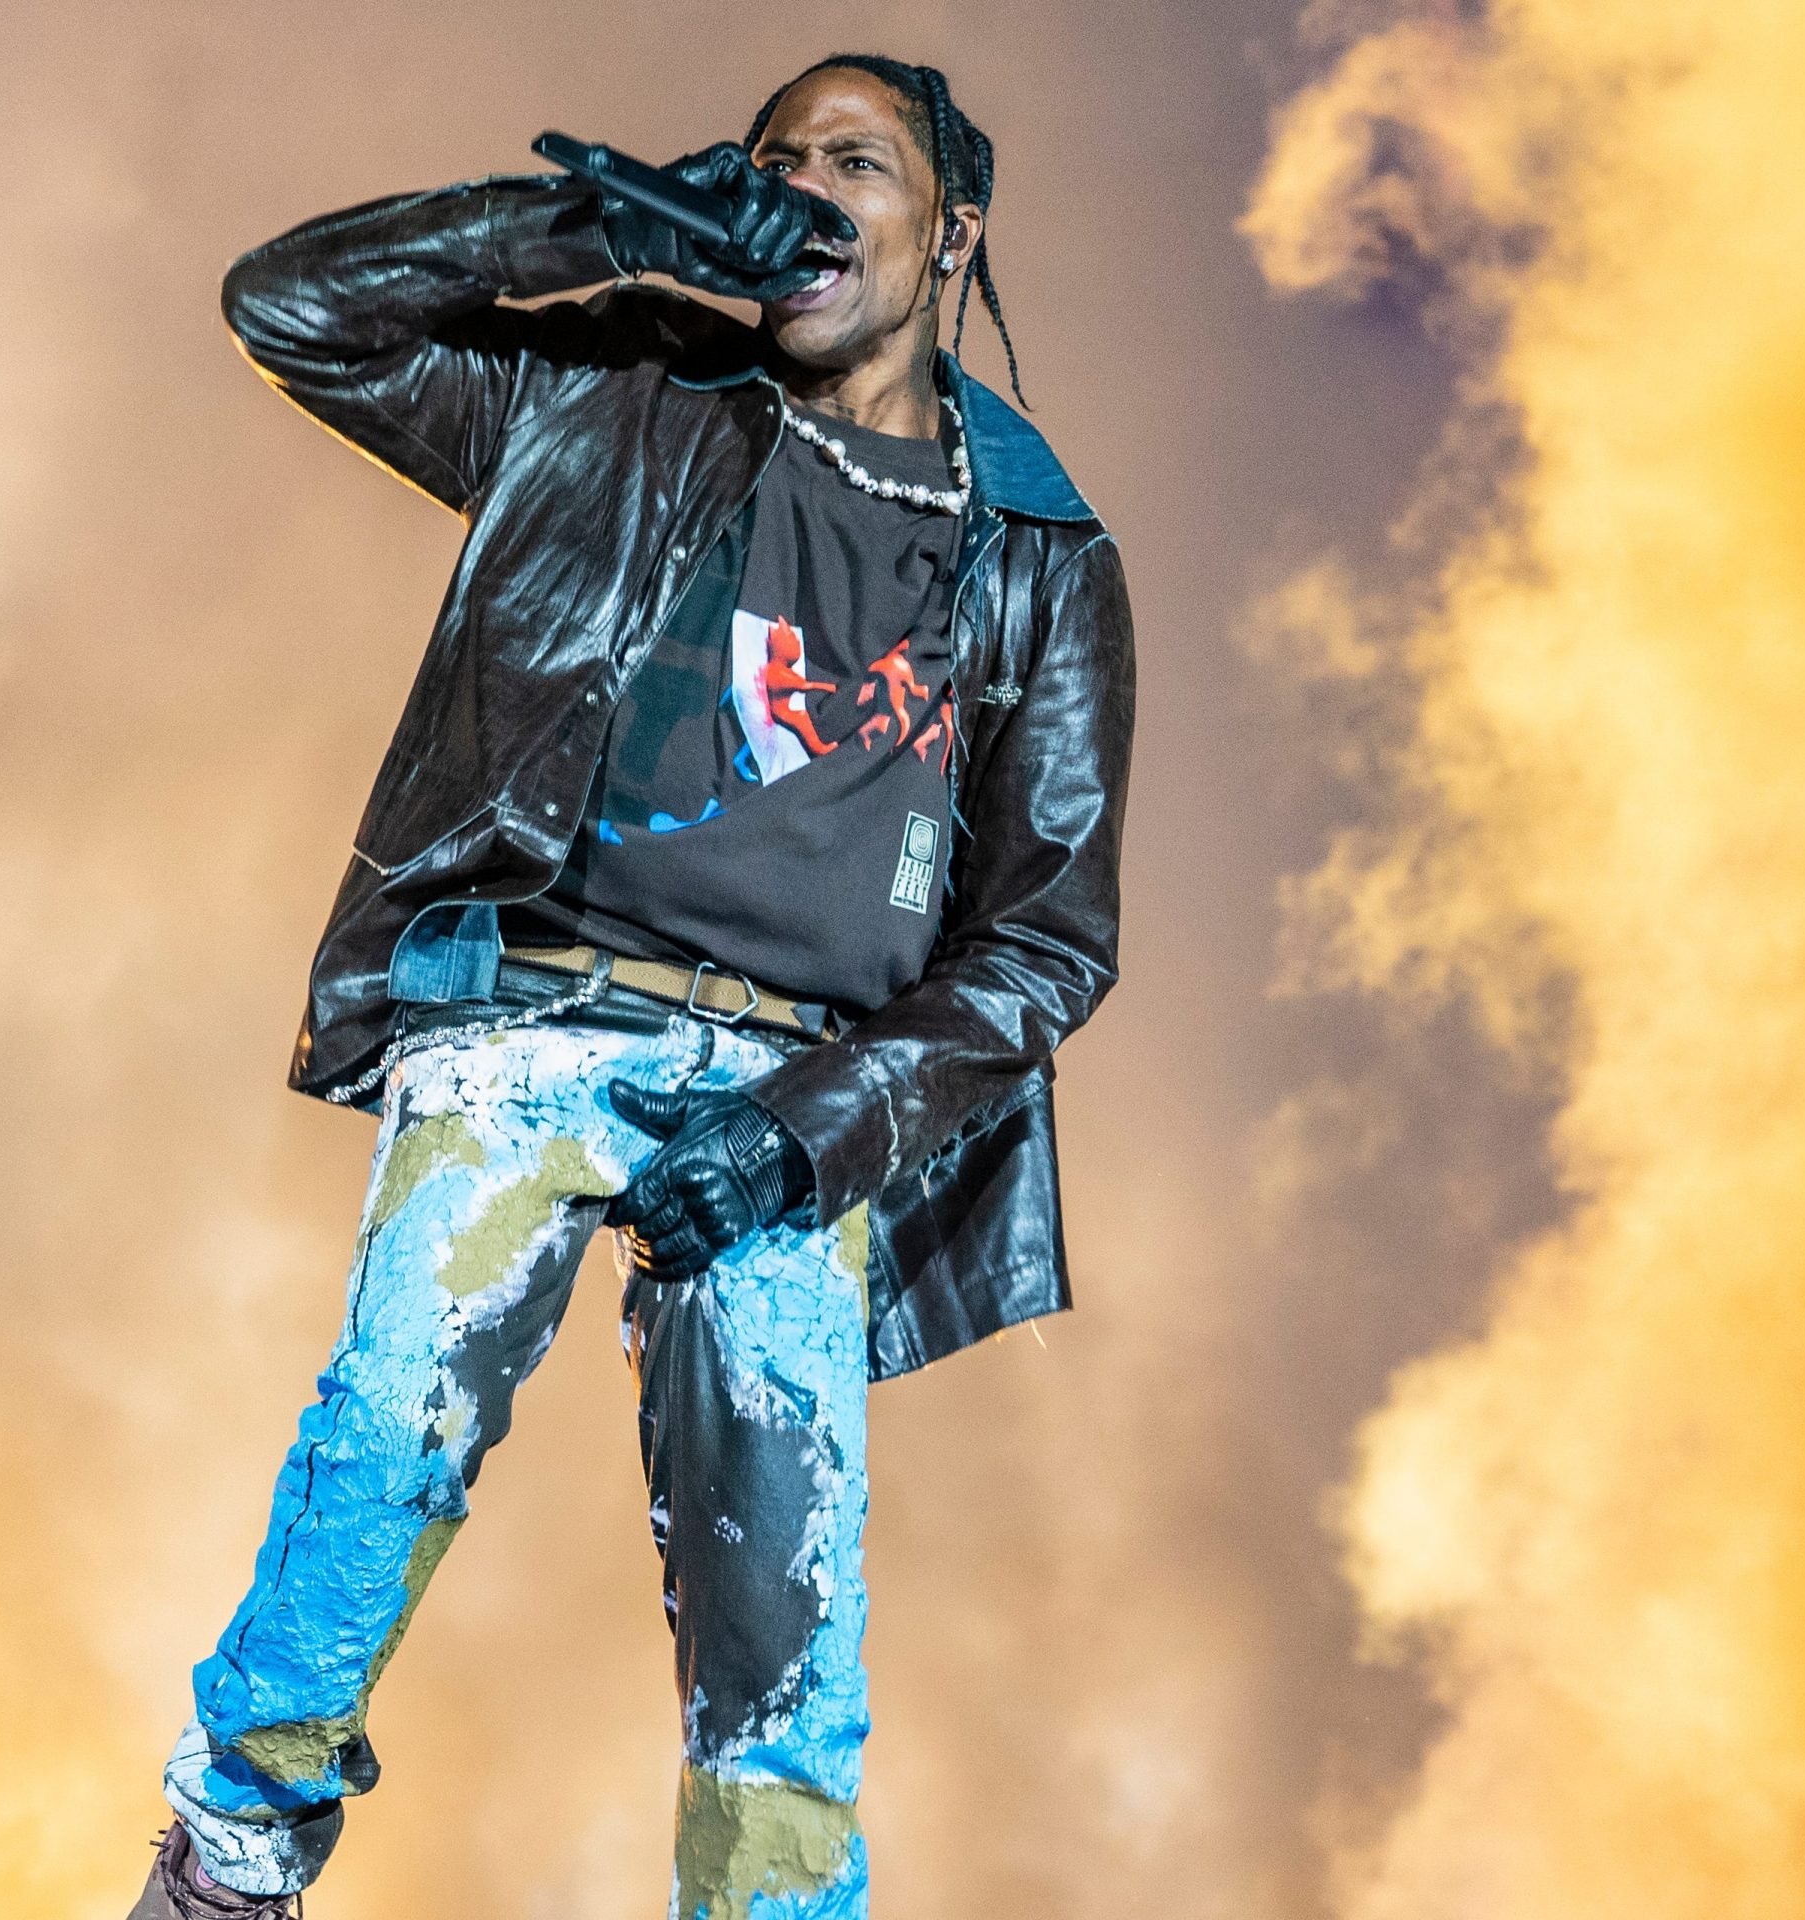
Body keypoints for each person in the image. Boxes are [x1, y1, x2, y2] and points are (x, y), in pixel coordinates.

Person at [130, 51, 1134, 1920]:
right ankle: (232, 1858)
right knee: (398, 1411)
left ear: (954, 232)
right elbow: (292, 309)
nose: (808, 186)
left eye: (860, 160)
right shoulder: (614, 397)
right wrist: (607, 223)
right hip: (533, 1021)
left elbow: (1047, 939)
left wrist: (808, 1137)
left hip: (790, 1106)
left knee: (784, 1631)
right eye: (776, 159)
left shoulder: (1044, 562)